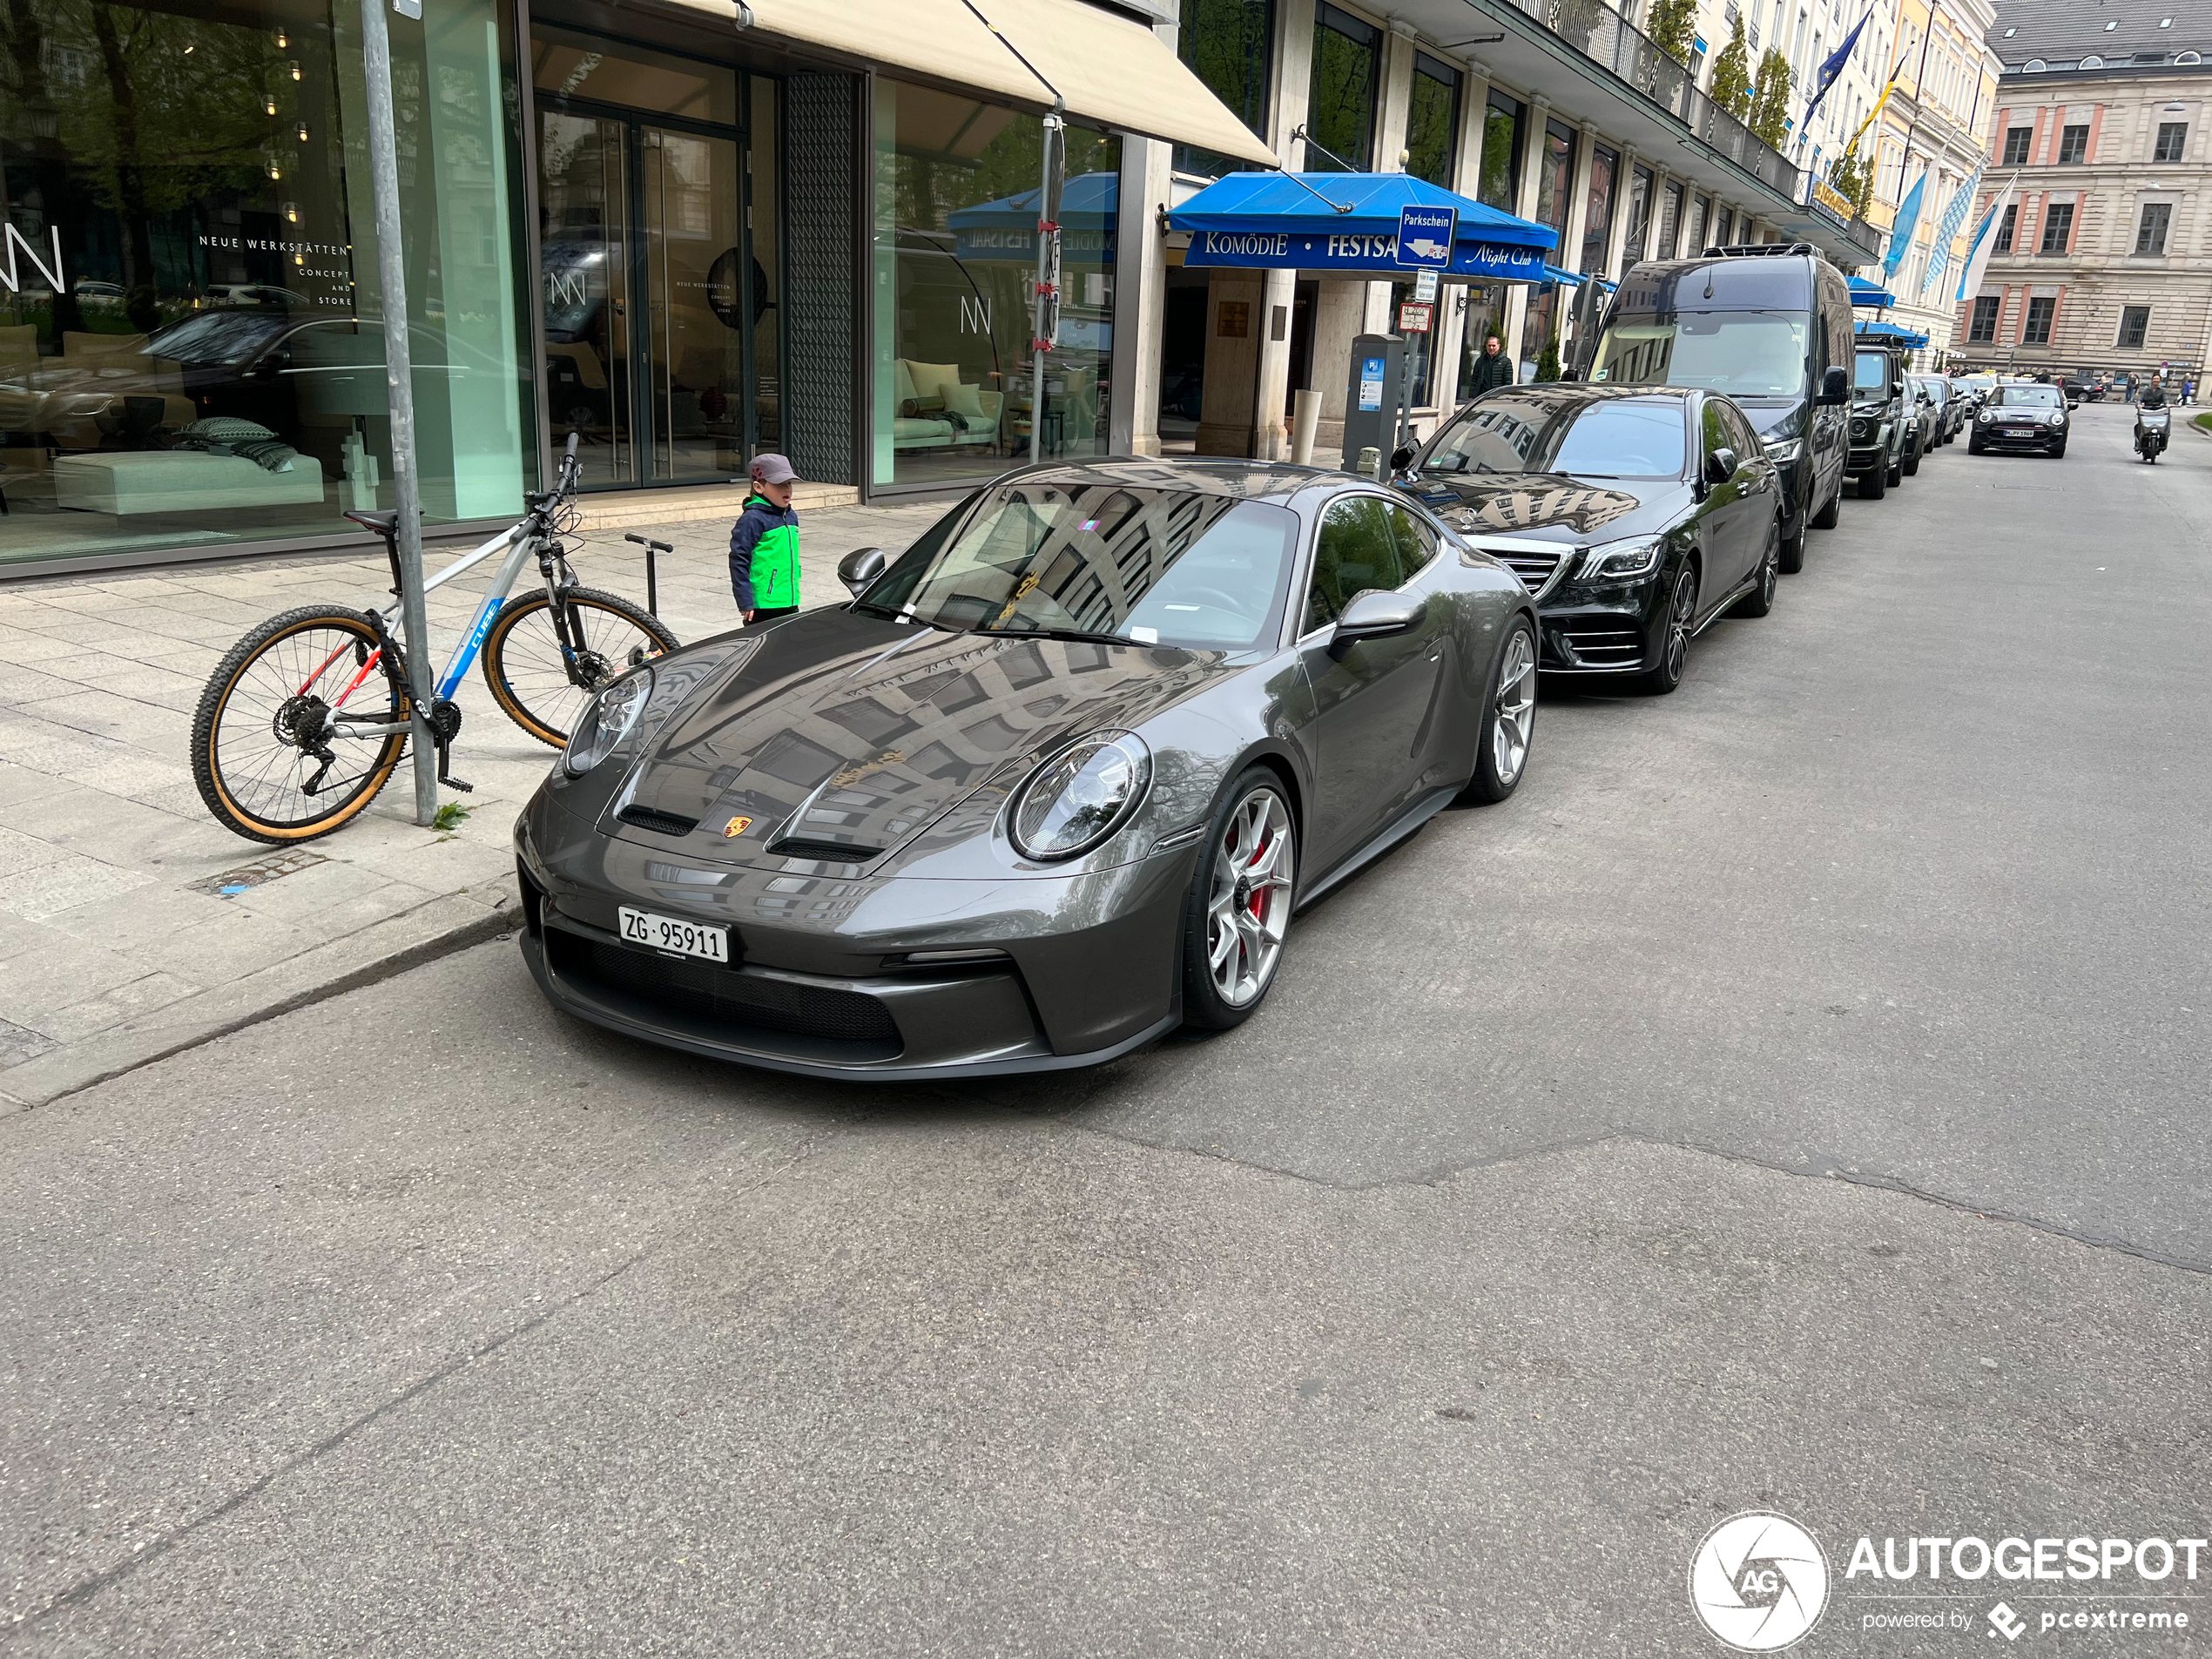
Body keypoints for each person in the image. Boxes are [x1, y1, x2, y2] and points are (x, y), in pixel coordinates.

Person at [729, 454, 801, 624]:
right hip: (763, 605)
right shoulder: (753, 519)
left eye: (789, 483)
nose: (787, 489)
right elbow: (739, 560)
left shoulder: (791, 516)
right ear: (759, 487)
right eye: (779, 484)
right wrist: (745, 600)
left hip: (789, 598)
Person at [1467, 332, 1514, 396]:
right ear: (1486, 346)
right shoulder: (1481, 361)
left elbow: (1508, 382)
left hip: (1497, 397)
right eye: (1489, 345)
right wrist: (1472, 395)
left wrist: (1504, 396)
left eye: (1494, 345)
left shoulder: (1506, 362)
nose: (1491, 348)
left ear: (1498, 346)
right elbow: (1474, 379)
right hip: (1482, 396)